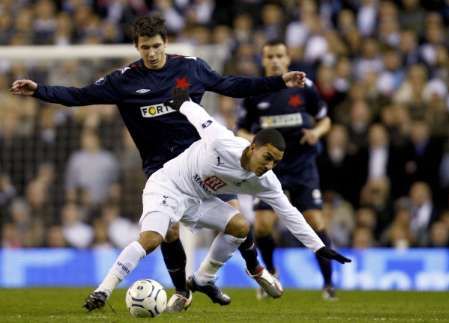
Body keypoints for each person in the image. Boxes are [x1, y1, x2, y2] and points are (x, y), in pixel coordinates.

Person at [10, 16, 307, 311]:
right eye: (144, 48)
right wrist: (39, 90)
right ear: (137, 47)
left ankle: (254, 269)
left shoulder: (190, 67)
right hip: (162, 170)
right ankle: (182, 291)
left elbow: (231, 85)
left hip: (202, 164)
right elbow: (79, 95)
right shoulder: (124, 80)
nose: (151, 53)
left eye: (155, 46)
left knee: (236, 218)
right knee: (170, 231)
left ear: (165, 43)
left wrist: (278, 81)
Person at [82, 88, 351, 312]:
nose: (269, 166)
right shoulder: (223, 142)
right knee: (153, 238)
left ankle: (203, 279)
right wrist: (183, 101)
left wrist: (318, 247)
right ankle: (102, 291)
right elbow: (200, 118)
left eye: (275, 162)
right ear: (253, 146)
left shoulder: (266, 180)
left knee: (241, 227)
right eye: (267, 157)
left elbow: (290, 213)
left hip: (199, 200)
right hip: (169, 185)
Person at [236, 40, 337, 300]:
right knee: (262, 225)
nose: (274, 61)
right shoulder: (254, 92)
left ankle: (328, 284)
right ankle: (270, 275)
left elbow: (326, 120)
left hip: (303, 165)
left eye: (279, 55)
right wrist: (252, 141)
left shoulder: (305, 87)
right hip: (270, 168)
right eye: (269, 56)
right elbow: (241, 130)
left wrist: (316, 132)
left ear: (288, 58)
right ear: (263, 59)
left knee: (315, 221)